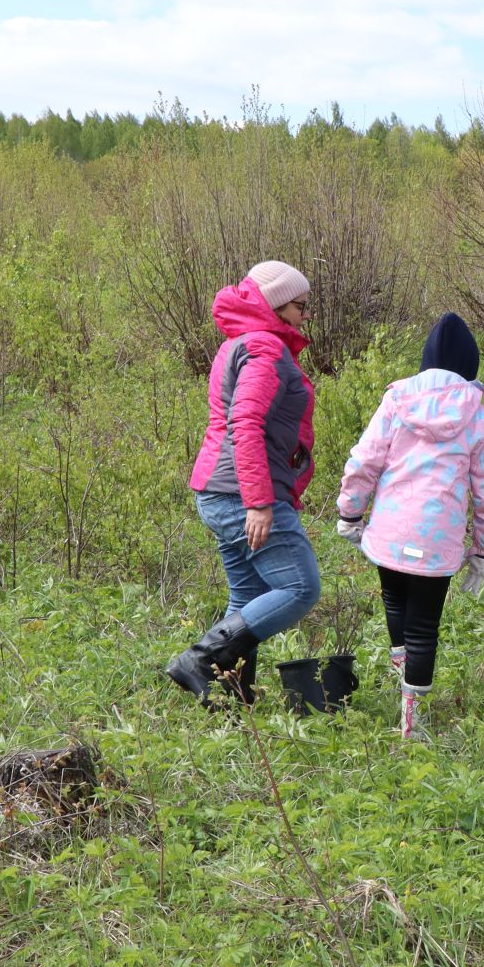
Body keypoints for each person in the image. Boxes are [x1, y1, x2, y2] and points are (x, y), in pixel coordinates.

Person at [335, 312, 484, 739]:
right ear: (472, 366)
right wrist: (483, 552)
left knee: (394, 599)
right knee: (424, 625)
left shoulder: (397, 400)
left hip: (391, 532)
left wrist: (349, 512)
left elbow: (365, 459)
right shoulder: (478, 417)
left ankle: (400, 669)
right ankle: (412, 721)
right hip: (439, 541)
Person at [166, 261, 321, 703]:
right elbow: (246, 423)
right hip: (241, 494)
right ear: (275, 305)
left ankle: (234, 698)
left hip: (220, 490)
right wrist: (259, 501)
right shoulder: (263, 348)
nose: (306, 315)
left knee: (247, 596)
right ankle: (198, 660)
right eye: (299, 306)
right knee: (300, 587)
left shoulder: (241, 343)